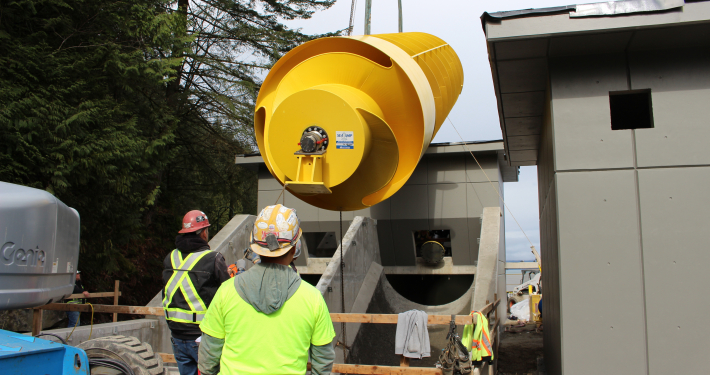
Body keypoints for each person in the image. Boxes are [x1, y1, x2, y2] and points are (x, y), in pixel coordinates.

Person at [198, 204, 335, 375]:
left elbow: (208, 357)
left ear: (255, 248)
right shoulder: (312, 298)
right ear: (294, 249)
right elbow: (322, 362)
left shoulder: (226, 292)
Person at [162, 210, 231, 375]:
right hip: (203, 337)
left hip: (177, 336)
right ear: (203, 232)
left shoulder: (170, 257)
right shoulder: (213, 259)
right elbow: (229, 293)